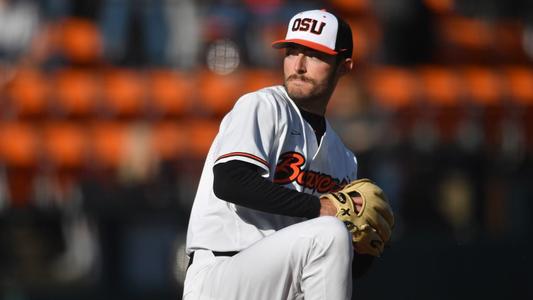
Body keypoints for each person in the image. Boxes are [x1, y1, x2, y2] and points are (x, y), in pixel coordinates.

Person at [183, 9, 392, 300]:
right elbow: (230, 181)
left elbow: (335, 267)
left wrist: (366, 247)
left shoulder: (344, 158)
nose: (300, 65)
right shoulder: (262, 106)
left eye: (315, 55)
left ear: (344, 66)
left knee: (332, 237)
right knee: (329, 232)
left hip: (284, 285)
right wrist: (323, 208)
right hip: (223, 273)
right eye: (292, 52)